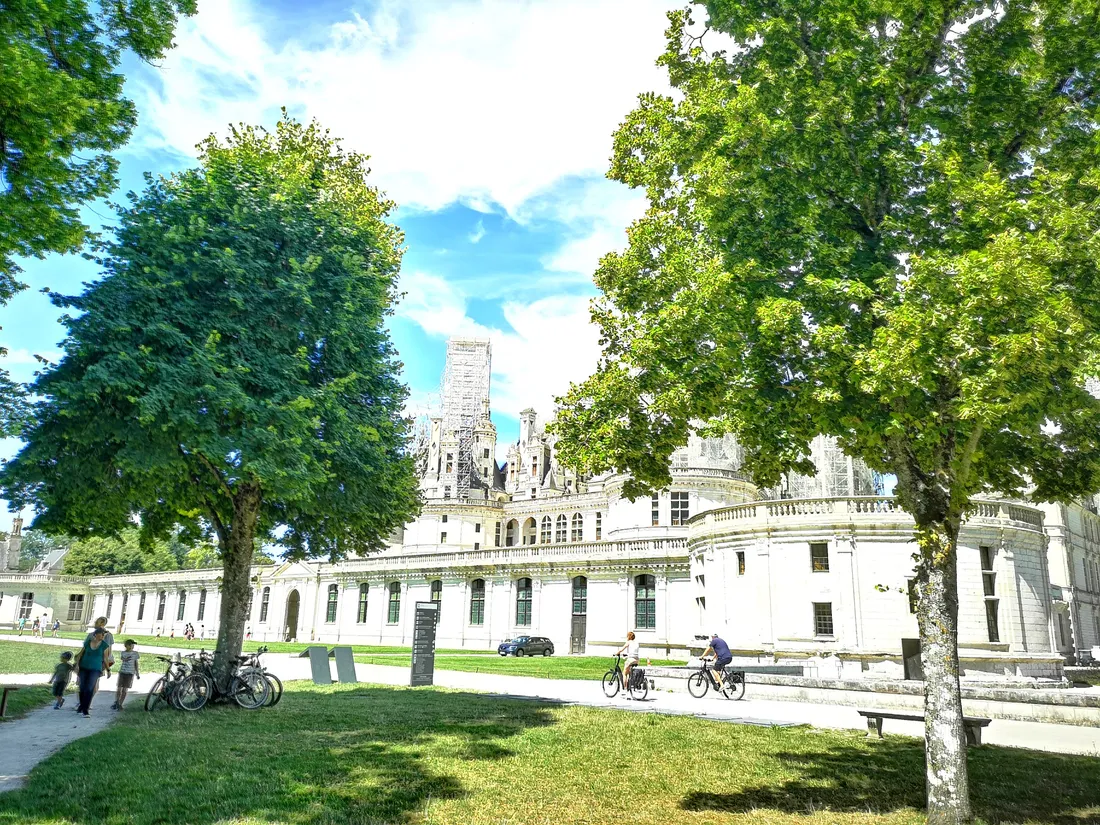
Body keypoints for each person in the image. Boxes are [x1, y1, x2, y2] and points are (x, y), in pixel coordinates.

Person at [73, 627, 109, 716]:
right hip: (84, 667)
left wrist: (108, 669)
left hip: (96, 669)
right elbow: (80, 655)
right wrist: (77, 665)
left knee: (89, 688)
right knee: (82, 687)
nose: (102, 636)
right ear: (96, 634)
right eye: (101, 634)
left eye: (104, 635)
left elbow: (105, 658)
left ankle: (85, 709)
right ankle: (81, 706)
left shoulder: (104, 645)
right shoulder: (88, 643)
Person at [112, 640, 140, 710]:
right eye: (130, 645)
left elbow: (136, 663)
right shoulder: (123, 653)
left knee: (125, 689)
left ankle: (121, 704)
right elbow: (122, 658)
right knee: (119, 688)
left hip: (130, 673)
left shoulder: (135, 653)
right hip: (122, 672)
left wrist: (137, 673)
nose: (132, 646)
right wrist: (125, 659)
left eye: (133, 645)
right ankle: (117, 702)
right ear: (126, 645)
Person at [615, 631, 641, 696]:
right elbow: (634, 652)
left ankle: (625, 689)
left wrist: (617, 653)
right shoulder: (636, 643)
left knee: (624, 673)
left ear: (629, 637)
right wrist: (626, 655)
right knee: (629, 672)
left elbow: (622, 649)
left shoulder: (628, 642)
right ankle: (630, 685)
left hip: (631, 659)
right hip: (637, 659)